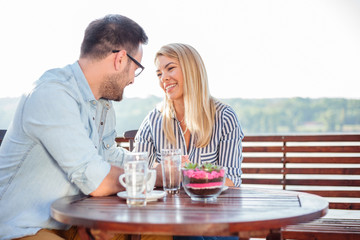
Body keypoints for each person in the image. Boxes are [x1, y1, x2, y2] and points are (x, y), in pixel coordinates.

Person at [0, 14, 148, 240]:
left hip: (68, 221)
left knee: (155, 234)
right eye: (135, 68)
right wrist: (155, 176)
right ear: (120, 59)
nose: (133, 79)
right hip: (21, 227)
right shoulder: (53, 94)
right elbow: (96, 178)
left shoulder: (103, 104)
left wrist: (155, 166)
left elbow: (108, 155)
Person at [134, 43, 243, 240]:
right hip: (171, 219)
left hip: (215, 218)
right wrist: (162, 172)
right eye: (159, 73)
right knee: (185, 232)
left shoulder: (224, 117)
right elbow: (137, 173)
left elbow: (232, 180)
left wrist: (188, 174)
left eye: (170, 68)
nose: (164, 78)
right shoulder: (153, 120)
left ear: (192, 70)